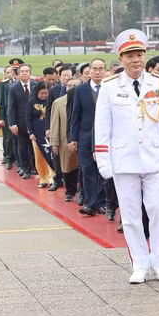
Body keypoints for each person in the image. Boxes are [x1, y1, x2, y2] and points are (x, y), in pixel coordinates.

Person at [95, 29, 159, 284]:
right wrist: (103, 158)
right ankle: (140, 264)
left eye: (140, 54)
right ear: (121, 59)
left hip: (154, 158)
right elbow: (102, 127)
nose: (136, 60)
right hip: (125, 161)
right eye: (130, 55)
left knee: (158, 209)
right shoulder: (110, 88)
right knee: (131, 216)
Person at [70, 59, 113, 218]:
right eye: (94, 69)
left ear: (105, 70)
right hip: (85, 136)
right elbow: (76, 115)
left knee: (102, 172)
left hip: (105, 137)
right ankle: (91, 203)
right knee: (87, 170)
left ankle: (101, 202)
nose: (97, 72)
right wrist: (73, 137)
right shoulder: (80, 90)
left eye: (101, 69)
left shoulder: (110, 89)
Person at [50, 78, 80, 201]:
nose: (72, 87)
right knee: (67, 166)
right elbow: (55, 123)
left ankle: (82, 192)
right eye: (70, 85)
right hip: (65, 140)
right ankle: (70, 191)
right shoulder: (58, 102)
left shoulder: (84, 100)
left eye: (75, 85)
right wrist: (54, 142)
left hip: (80, 139)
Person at [45, 64, 74, 192]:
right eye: (64, 75)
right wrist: (49, 128)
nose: (67, 78)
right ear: (59, 76)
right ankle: (57, 180)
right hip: (58, 127)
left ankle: (72, 185)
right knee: (56, 156)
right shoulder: (54, 91)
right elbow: (49, 110)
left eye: (69, 75)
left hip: (71, 129)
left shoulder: (77, 90)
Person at [7, 63, 36, 179]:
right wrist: (12, 123)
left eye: (26, 71)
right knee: (22, 147)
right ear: (18, 74)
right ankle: (26, 168)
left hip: (34, 123)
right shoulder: (13, 88)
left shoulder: (36, 85)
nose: (24, 73)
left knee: (35, 147)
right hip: (21, 123)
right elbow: (11, 107)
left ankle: (35, 167)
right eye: (22, 71)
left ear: (30, 73)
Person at [26, 82, 56, 188]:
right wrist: (30, 132)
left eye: (45, 93)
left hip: (49, 133)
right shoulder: (32, 102)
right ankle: (43, 178)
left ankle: (53, 177)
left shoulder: (51, 101)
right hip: (36, 134)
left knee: (50, 155)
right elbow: (28, 118)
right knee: (39, 156)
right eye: (41, 93)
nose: (43, 95)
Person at [0, 64, 16, 170]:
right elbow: (1, 102)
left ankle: (17, 158)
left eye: (11, 72)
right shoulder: (3, 85)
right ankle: (8, 158)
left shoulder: (18, 83)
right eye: (8, 72)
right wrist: (1, 117)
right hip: (8, 115)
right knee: (8, 138)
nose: (10, 74)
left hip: (18, 115)